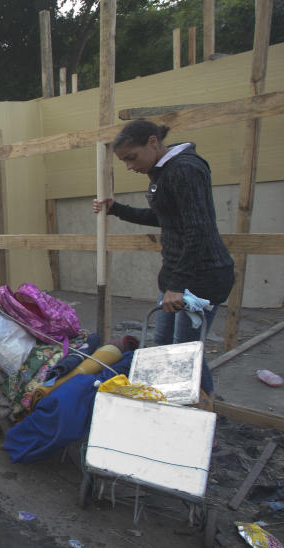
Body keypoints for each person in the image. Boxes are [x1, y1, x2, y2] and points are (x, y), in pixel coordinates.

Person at [93, 120, 234, 399]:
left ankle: (201, 413)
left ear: (153, 142)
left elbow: (199, 229)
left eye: (132, 157)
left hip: (201, 278)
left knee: (184, 353)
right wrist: (116, 209)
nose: (130, 166)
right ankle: (170, 403)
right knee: (162, 346)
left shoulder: (184, 170)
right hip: (178, 277)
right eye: (124, 161)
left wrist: (177, 286)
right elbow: (166, 217)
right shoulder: (163, 171)